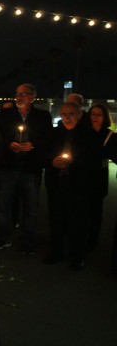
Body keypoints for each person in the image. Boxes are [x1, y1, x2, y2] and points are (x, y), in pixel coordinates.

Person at [0, 84, 52, 255]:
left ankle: (28, 241)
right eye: (17, 93)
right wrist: (9, 144)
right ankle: (3, 237)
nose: (19, 97)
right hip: (8, 166)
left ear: (33, 97)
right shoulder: (5, 114)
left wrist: (33, 145)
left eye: (24, 94)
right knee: (3, 206)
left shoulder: (43, 116)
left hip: (30, 168)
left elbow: (48, 138)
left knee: (30, 208)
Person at [44, 102, 99, 270]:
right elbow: (44, 154)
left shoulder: (89, 135)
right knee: (56, 219)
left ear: (79, 115)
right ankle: (57, 252)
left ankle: (77, 256)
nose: (67, 118)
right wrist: (52, 161)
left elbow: (93, 161)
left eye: (71, 114)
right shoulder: (54, 133)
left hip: (78, 186)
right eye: (64, 114)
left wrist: (74, 162)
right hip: (57, 184)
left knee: (78, 222)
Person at [87, 103, 113, 252]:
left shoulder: (110, 134)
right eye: (93, 114)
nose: (95, 117)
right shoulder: (85, 131)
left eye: (99, 114)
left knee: (96, 210)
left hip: (99, 176)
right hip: (84, 176)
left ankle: (92, 240)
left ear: (105, 117)